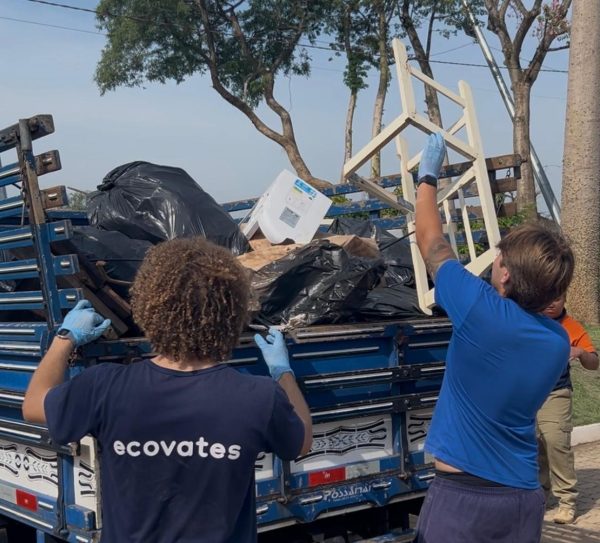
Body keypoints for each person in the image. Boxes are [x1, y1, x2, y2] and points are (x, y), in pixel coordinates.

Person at [22, 237, 312, 543]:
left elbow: (33, 405)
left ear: (148, 305)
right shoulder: (259, 397)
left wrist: (64, 338)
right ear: (233, 311)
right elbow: (301, 441)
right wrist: (283, 372)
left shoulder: (106, 386)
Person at [413, 133, 575, 543]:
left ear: (503, 274)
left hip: (464, 500)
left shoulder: (479, 309)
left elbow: (431, 243)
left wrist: (427, 176)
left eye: (499, 254)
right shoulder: (556, 343)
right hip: (522, 499)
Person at [537, 295, 598, 524]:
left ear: (564, 299)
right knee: (535, 446)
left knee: (555, 442)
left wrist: (581, 353)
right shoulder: (528, 319)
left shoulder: (571, 326)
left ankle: (567, 501)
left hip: (556, 393)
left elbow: (594, 363)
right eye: (547, 297)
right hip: (526, 393)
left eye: (558, 298)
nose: (551, 302)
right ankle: (540, 496)